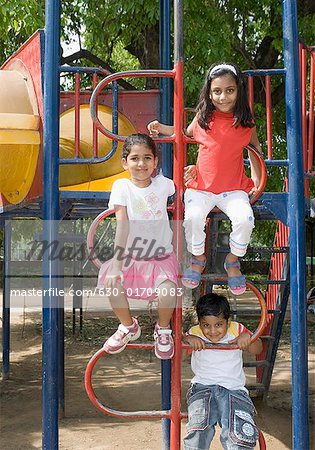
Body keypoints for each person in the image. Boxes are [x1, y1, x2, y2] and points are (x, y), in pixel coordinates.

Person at [147, 62, 262, 293]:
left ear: (238, 91)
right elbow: (183, 134)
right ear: (209, 93)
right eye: (217, 91)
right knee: (193, 218)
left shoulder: (245, 124)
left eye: (229, 90)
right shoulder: (203, 118)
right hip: (201, 188)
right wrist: (162, 127)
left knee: (245, 219)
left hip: (233, 190)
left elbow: (256, 153)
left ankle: (232, 260)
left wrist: (258, 182)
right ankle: (197, 258)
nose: (223, 97)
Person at [97, 133, 179, 359]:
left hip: (160, 256)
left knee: (168, 291)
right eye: (134, 158)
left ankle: (163, 329)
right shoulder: (122, 186)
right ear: (125, 162)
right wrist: (116, 265)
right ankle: (128, 327)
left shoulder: (163, 184)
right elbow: (122, 225)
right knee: (111, 283)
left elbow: (183, 185)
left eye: (147, 158)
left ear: (155, 162)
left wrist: (192, 173)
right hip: (132, 255)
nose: (141, 164)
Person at [183, 293, 263, 450]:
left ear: (228, 321)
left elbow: (258, 348)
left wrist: (248, 338)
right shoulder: (194, 332)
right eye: (206, 325)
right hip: (202, 387)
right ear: (199, 323)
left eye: (219, 324)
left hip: (234, 389)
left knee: (238, 435)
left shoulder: (237, 329)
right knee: (199, 429)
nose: (213, 331)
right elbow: (177, 357)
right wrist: (186, 340)